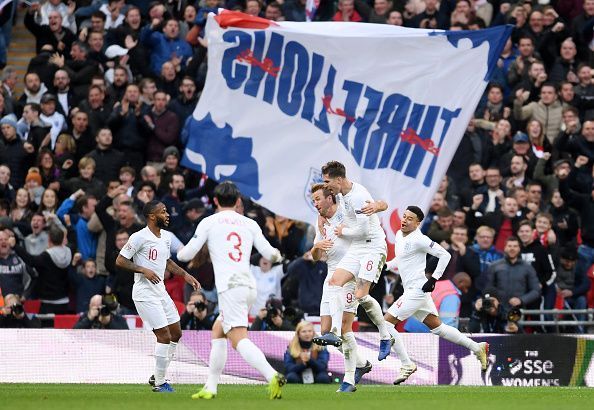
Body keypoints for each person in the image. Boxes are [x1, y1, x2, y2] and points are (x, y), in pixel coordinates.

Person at [177, 181, 286, 400]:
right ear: (237, 201)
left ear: (215, 201)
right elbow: (271, 253)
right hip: (248, 286)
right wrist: (277, 256)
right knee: (218, 331)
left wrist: (177, 253)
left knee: (237, 338)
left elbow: (186, 255)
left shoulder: (208, 222)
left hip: (230, 288)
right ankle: (211, 387)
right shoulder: (250, 223)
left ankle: (272, 375)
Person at [383, 206, 489, 385]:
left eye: (410, 218)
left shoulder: (421, 239)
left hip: (417, 290)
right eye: (404, 216)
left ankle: (407, 364)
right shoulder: (400, 236)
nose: (405, 220)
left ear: (417, 223)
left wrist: (434, 278)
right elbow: (399, 261)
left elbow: (445, 255)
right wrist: (385, 266)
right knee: (438, 329)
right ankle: (477, 347)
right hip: (414, 291)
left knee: (386, 323)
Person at [115, 200, 201, 393]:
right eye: (163, 212)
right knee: (163, 335)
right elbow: (120, 260)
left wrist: (186, 275)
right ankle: (160, 383)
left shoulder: (166, 238)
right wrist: (142, 269)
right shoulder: (139, 237)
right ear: (152, 216)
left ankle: (157, 375)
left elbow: (167, 261)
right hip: (144, 294)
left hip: (160, 291)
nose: (167, 214)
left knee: (176, 334)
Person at [314, 161, 391, 364]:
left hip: (373, 247)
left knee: (361, 295)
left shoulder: (357, 196)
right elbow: (381, 204)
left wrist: (342, 232)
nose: (326, 186)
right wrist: (320, 216)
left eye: (327, 181)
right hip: (357, 248)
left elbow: (364, 230)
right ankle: (334, 332)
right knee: (334, 282)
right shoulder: (343, 193)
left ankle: (386, 334)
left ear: (338, 179)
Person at [310, 182, 372, 391]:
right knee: (326, 332)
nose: (315, 204)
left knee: (343, 330)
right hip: (331, 278)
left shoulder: (346, 213)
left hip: (349, 277)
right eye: (313, 201)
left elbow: (364, 218)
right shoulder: (320, 223)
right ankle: (362, 364)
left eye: (318, 199)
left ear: (330, 198)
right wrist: (316, 247)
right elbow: (316, 257)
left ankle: (349, 379)